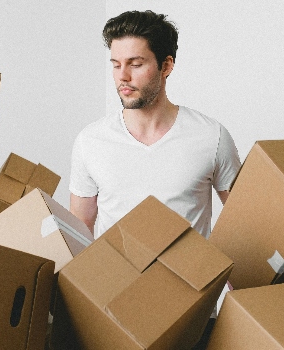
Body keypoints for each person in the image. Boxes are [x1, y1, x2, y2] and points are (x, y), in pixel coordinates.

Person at [69, 10, 241, 239]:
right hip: (118, 275)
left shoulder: (211, 136)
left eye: (136, 64)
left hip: (189, 275)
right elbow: (79, 231)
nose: (123, 76)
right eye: (116, 65)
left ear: (166, 66)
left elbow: (244, 222)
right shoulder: (90, 141)